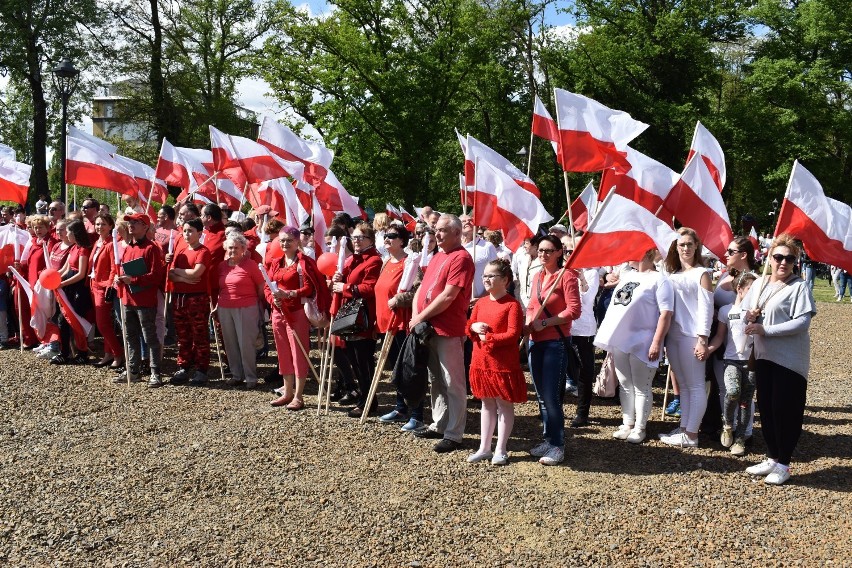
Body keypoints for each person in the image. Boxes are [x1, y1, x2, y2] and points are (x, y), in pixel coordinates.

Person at [741, 235, 816, 485]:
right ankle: (772, 457)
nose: (783, 262)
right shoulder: (759, 284)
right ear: (769, 258)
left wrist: (766, 330)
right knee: (768, 409)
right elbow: (745, 315)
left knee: (786, 411)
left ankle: (784, 463)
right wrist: (749, 316)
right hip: (764, 357)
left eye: (789, 258)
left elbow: (802, 322)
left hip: (789, 360)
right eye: (778, 257)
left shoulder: (799, 287)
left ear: (795, 261)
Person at [595, 248, 673, 444]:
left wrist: (657, 341)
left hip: (643, 340)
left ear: (645, 254)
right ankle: (627, 422)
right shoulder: (628, 275)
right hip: (621, 339)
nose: (627, 253)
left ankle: (640, 427)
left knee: (641, 386)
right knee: (625, 384)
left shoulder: (660, 279)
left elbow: (666, 313)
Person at [410, 214, 474, 453]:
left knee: (453, 382)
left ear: (457, 233)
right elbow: (422, 289)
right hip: (429, 327)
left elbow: (448, 296)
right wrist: (417, 316)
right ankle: (440, 423)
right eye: (436, 229)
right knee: (435, 378)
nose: (437, 234)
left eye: (442, 230)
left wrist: (420, 316)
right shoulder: (438, 256)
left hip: (448, 328)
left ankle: (455, 433)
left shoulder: (462, 258)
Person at [523, 234, 581, 465]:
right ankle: (548, 438)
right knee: (541, 396)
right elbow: (532, 305)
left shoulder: (566, 276)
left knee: (551, 396)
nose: (543, 255)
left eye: (548, 251)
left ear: (559, 252)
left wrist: (545, 323)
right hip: (535, 341)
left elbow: (574, 310)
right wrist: (528, 325)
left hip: (555, 342)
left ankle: (558, 444)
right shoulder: (537, 275)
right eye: (541, 251)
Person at [465, 258, 526, 465]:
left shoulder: (512, 305)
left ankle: (501, 448)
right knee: (486, 403)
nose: (486, 279)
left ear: (505, 280)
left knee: (504, 404)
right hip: (481, 361)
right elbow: (469, 325)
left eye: (492, 276)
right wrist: (473, 328)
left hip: (502, 364)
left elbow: (513, 334)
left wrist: (487, 338)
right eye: (485, 275)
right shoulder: (481, 302)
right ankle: (484, 447)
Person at [659, 228, 713, 448]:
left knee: (696, 385)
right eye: (682, 244)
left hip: (693, 335)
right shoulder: (672, 275)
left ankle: (691, 435)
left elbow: (706, 309)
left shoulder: (702, 273)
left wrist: (703, 339)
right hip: (674, 336)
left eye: (690, 244)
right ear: (676, 248)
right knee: (683, 385)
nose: (686, 248)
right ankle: (684, 427)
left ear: (696, 246)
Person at [267, 226, 326, 410]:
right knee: (283, 352)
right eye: (282, 240)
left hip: (297, 312)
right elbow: (268, 285)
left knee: (298, 352)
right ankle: (287, 392)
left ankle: (299, 396)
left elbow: (310, 288)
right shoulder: (276, 262)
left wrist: (289, 294)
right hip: (278, 312)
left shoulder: (304, 262)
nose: (285, 244)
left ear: (297, 242)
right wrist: (273, 299)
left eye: (289, 240)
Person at [375, 226, 425, 429]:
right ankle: (400, 407)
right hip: (386, 323)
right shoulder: (386, 262)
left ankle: (416, 413)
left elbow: (418, 290)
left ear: (402, 241)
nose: (387, 239)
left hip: (402, 324)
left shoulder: (410, 263)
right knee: (395, 368)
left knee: (409, 369)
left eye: (392, 236)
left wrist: (400, 298)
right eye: (385, 236)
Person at [331, 223, 382, 417]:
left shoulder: (374, 260)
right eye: (355, 237)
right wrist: (339, 276)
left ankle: (368, 401)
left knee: (364, 361)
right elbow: (347, 280)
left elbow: (370, 288)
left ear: (370, 240)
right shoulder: (352, 259)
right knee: (354, 360)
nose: (357, 241)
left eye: (361, 237)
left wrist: (344, 287)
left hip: (362, 316)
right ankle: (364, 396)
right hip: (349, 315)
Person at [112, 214, 166, 386]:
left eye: (136, 223)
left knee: (149, 337)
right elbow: (124, 272)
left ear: (145, 227)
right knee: (130, 336)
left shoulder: (152, 248)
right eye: (130, 222)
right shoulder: (128, 248)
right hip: (128, 299)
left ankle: (155, 372)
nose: (131, 225)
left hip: (145, 301)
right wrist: (118, 279)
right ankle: (133, 369)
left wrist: (133, 280)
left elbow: (156, 276)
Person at [707, 272, 758, 456]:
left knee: (746, 401)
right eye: (751, 290)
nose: (755, 295)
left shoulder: (759, 313)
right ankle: (728, 424)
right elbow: (720, 336)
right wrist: (708, 349)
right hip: (731, 360)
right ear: (740, 289)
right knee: (732, 391)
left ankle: (740, 439)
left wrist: (757, 320)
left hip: (751, 362)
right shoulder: (726, 311)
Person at [216, 233, 265, 388]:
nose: (233, 250)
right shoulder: (222, 266)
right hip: (225, 307)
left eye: (236, 248)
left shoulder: (250, 265)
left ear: (243, 249)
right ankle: (237, 375)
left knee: (246, 343)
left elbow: (261, 287)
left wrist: (253, 302)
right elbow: (220, 288)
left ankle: (251, 377)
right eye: (230, 247)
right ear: (225, 248)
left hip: (246, 307)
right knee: (230, 343)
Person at [167, 218, 212, 385]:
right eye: (185, 231)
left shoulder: (203, 251)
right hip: (179, 297)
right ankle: (184, 365)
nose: (187, 234)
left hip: (197, 298)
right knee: (183, 335)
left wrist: (178, 273)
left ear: (199, 233)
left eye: (191, 231)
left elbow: (197, 273)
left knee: (199, 334)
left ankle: (201, 369)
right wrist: (184, 278)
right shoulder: (180, 252)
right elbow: (170, 275)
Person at [563, 235, 601, 427]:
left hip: (583, 328)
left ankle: (582, 413)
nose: (571, 254)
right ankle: (555, 409)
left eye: (575, 251)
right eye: (568, 251)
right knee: (562, 369)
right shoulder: (561, 272)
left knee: (584, 372)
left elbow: (586, 301)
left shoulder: (591, 272)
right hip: (563, 327)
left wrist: (581, 277)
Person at [50, 220, 92, 365]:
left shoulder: (83, 249)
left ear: (75, 233)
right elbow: (65, 269)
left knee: (75, 321)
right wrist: (52, 278)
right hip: (67, 287)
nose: (66, 234)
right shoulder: (73, 248)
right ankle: (64, 352)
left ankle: (82, 353)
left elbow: (81, 273)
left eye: (68, 232)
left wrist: (62, 283)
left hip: (77, 288)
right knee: (63, 320)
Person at [88, 213, 123, 370]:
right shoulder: (97, 242)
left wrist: (109, 286)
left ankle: (118, 353)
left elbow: (113, 268)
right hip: (93, 284)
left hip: (103, 287)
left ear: (110, 226)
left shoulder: (111, 243)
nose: (99, 227)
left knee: (103, 324)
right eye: (97, 224)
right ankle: (108, 353)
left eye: (102, 224)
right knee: (103, 324)